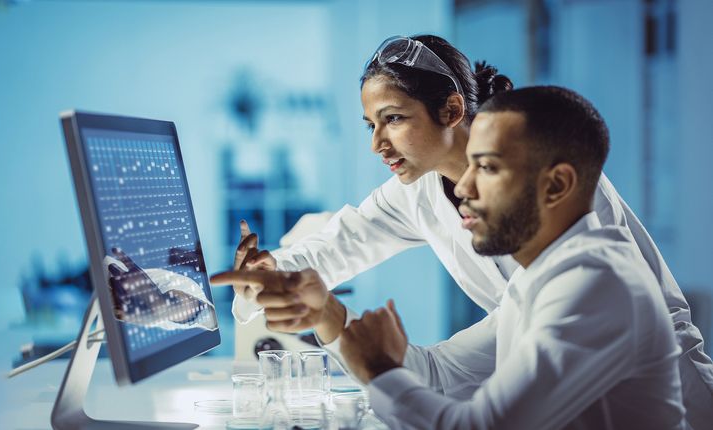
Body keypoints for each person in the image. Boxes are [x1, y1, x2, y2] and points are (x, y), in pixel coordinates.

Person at [229, 35, 713, 427]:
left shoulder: (582, 265)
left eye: (393, 119)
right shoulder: (523, 282)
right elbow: (436, 370)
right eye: (370, 125)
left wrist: (377, 365)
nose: (465, 192)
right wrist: (298, 292)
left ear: (453, 110)